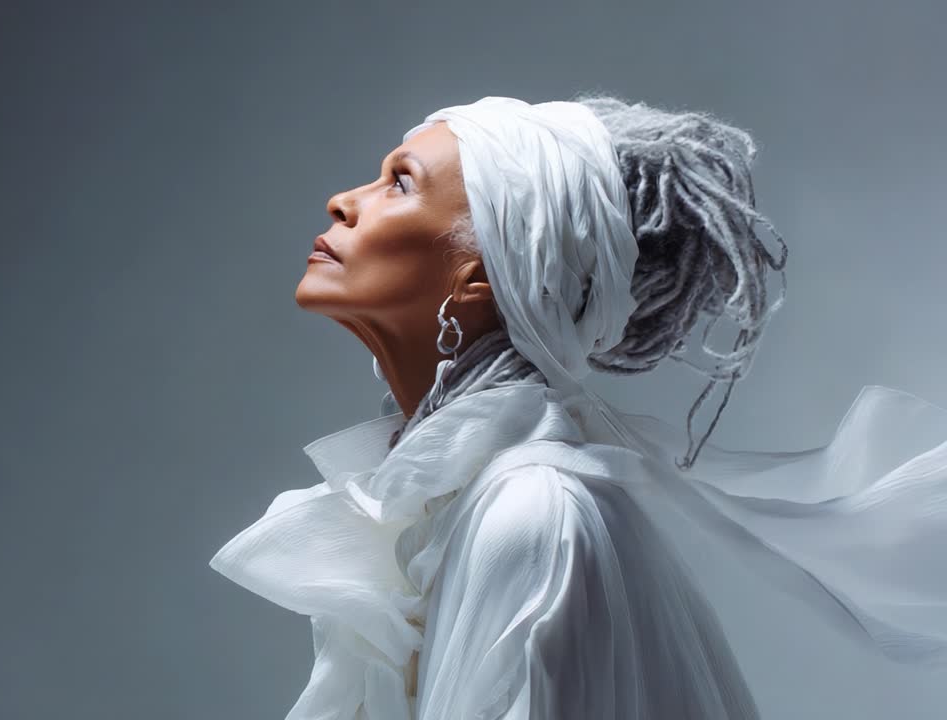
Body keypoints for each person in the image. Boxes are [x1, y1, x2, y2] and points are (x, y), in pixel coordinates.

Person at [208, 95, 947, 719]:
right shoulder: (463, 505)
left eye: (399, 185)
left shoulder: (534, 514)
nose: (345, 201)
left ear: (479, 279)